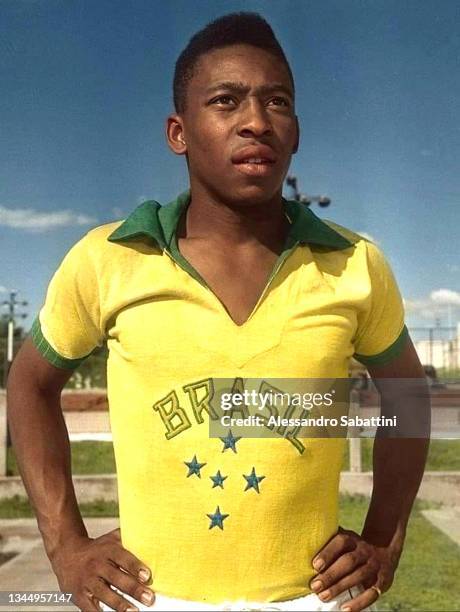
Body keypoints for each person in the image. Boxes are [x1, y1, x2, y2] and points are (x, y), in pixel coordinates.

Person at [7, 12, 429, 612]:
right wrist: (65, 545)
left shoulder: (354, 263)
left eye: (276, 102)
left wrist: (385, 538)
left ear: (297, 131)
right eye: (226, 101)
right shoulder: (109, 258)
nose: (256, 121)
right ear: (179, 132)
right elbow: (28, 385)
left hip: (311, 600)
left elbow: (408, 396)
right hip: (151, 598)